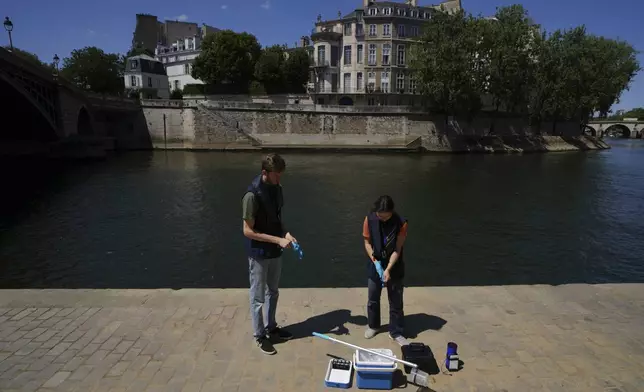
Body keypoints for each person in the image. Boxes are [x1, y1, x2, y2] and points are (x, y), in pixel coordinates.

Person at [242, 153, 297, 355]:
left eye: (281, 175)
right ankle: (259, 335)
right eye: (276, 175)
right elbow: (247, 231)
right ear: (265, 173)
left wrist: (286, 234)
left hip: (275, 249)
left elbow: (277, 219)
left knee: (273, 291)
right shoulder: (251, 196)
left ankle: (271, 327)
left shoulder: (277, 189)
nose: (279, 179)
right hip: (258, 253)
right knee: (257, 297)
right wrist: (278, 240)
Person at [362, 195, 408, 345]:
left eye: (386, 217)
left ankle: (396, 330)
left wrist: (388, 269)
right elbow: (367, 243)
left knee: (396, 300)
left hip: (394, 263)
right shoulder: (369, 219)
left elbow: (397, 248)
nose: (382, 220)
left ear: (392, 213)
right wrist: (375, 263)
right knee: (373, 298)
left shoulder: (401, 222)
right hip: (375, 261)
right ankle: (373, 325)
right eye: (380, 217)